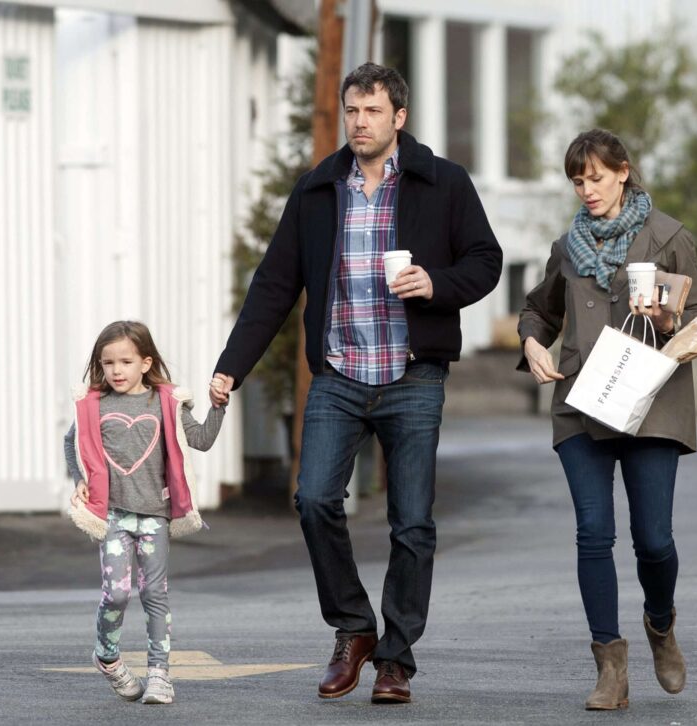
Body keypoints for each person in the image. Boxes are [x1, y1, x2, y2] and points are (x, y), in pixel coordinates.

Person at [210, 62, 502, 704]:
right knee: (314, 499)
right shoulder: (319, 190)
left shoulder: (442, 182)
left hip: (412, 375)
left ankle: (396, 658)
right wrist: (232, 365)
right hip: (340, 373)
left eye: (372, 111)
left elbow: (486, 260)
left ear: (399, 117)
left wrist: (434, 284)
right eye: (352, 111)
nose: (359, 122)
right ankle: (353, 627)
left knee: (411, 524)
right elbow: (275, 284)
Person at [518, 129, 697, 710]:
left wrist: (671, 315)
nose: (587, 190)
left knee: (653, 540)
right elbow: (537, 309)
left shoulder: (668, 236)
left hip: (652, 402)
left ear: (623, 171)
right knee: (592, 532)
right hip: (582, 403)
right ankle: (610, 667)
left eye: (597, 177)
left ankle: (660, 623)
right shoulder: (566, 247)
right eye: (578, 181)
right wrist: (532, 344)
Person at [65, 320, 227, 705]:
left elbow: (201, 440)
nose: (116, 370)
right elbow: (70, 442)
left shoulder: (166, 402)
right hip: (114, 516)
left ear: (145, 362)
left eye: (125, 361)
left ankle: (159, 675)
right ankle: (107, 657)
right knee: (117, 594)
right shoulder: (93, 405)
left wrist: (219, 407)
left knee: (155, 593)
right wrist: (78, 479)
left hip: (155, 515)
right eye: (108, 363)